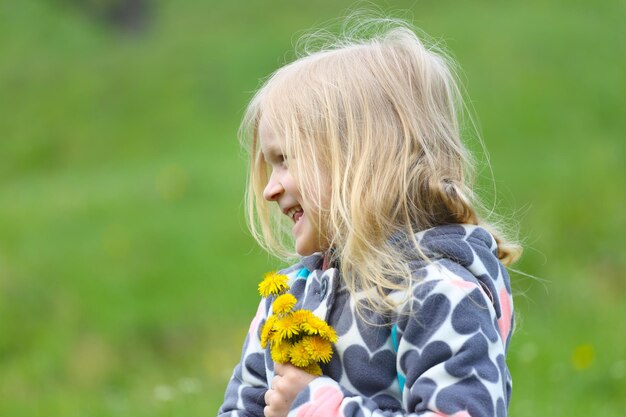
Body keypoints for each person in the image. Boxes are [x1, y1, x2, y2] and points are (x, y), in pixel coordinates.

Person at [217, 16, 522, 417]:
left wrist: (317, 408)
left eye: (286, 160)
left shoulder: (439, 294)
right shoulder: (288, 300)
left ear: (361, 160)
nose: (270, 189)